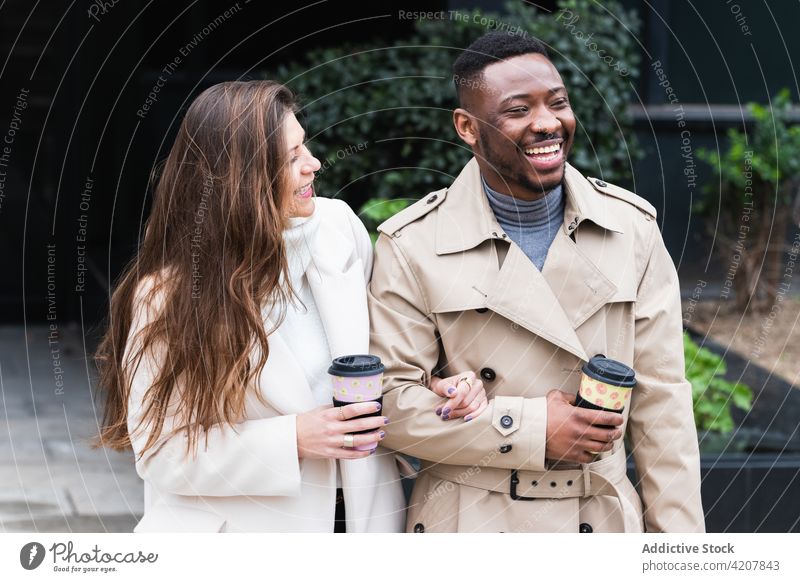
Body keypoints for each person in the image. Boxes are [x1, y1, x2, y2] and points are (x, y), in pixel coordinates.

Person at [94, 80, 481, 533]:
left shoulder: (340, 228)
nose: (314, 165)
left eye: (306, 147)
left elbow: (383, 352)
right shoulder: (168, 296)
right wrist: (292, 439)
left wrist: (432, 384)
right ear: (239, 180)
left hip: (364, 519)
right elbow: (161, 454)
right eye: (291, 158)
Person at [368, 32, 705, 533]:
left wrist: (682, 552)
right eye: (517, 110)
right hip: (469, 524)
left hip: (598, 517)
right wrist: (530, 429)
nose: (547, 123)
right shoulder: (412, 245)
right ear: (467, 127)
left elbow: (663, 406)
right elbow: (389, 406)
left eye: (558, 103)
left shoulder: (631, 229)